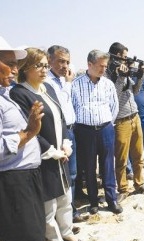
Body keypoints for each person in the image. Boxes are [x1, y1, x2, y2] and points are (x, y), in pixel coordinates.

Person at [10, 48, 85, 241]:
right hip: (42, 158)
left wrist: (66, 144)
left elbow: (60, 117)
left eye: (45, 65)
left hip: (60, 153)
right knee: (48, 205)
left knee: (65, 198)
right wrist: (52, 151)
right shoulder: (20, 94)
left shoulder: (48, 88)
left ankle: (67, 232)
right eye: (39, 65)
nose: (44, 70)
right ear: (25, 69)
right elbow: (28, 129)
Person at [0, 37, 62, 241]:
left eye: (16, 64)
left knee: (34, 236)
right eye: (8, 63)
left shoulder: (5, 94)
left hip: (27, 176)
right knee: (22, 240)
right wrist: (28, 133)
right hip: (12, 181)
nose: (15, 69)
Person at [71, 49, 123, 214]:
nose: (103, 69)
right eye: (100, 66)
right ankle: (93, 201)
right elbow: (72, 107)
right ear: (89, 64)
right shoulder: (76, 84)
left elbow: (114, 106)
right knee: (89, 166)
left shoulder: (107, 84)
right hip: (84, 131)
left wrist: (107, 123)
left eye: (105, 66)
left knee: (108, 165)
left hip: (106, 129)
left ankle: (111, 200)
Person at [46, 45, 87, 225]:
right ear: (49, 61)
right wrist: (69, 84)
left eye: (68, 62)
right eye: (61, 61)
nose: (65, 66)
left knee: (73, 173)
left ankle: (69, 210)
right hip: (59, 132)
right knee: (64, 174)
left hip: (71, 129)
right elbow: (60, 104)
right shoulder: (47, 82)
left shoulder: (63, 80)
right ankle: (64, 214)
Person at [106, 42, 144, 197]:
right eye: (124, 57)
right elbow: (114, 99)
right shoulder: (109, 73)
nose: (125, 60)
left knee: (138, 155)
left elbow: (135, 90)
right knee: (122, 158)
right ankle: (123, 188)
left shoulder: (124, 71)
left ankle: (139, 184)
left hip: (134, 116)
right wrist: (120, 78)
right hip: (121, 120)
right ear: (116, 55)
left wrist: (140, 75)